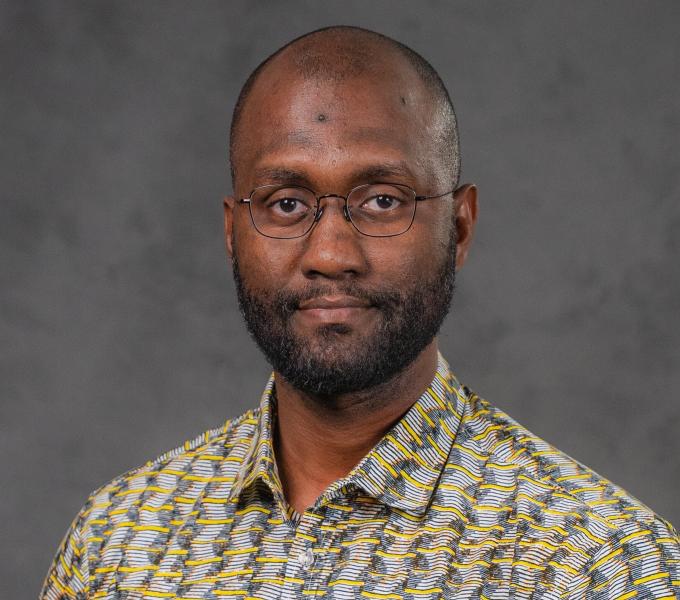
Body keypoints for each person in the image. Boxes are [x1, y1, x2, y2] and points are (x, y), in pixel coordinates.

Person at [41, 25, 679, 600]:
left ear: (458, 227)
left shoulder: (600, 564)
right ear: (234, 232)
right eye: (286, 203)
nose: (330, 254)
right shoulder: (117, 546)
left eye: (380, 201)